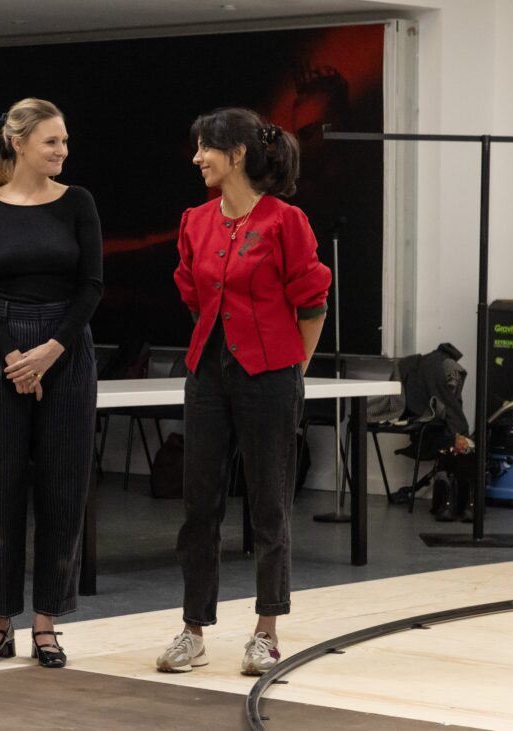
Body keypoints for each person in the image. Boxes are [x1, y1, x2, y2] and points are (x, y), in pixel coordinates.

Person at [157, 107, 331, 676]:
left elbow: (312, 303)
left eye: (205, 148)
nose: (196, 158)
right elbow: (192, 294)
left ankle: (266, 632)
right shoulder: (195, 221)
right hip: (208, 374)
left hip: (270, 376)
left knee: (268, 504)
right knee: (199, 505)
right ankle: (192, 631)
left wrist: (293, 369)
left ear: (235, 155)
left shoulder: (285, 220)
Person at [0, 98, 103, 669]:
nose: (62, 150)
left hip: (64, 349)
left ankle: (47, 624)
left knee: (63, 489)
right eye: (52, 141)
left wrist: (48, 353)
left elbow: (91, 286)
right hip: (2, 352)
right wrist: (16, 358)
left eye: (65, 141)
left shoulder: (79, 202)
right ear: (18, 144)